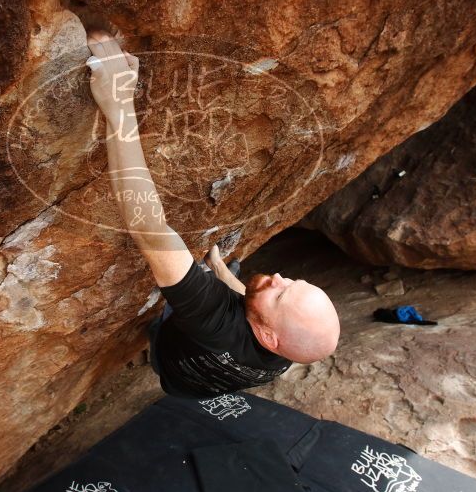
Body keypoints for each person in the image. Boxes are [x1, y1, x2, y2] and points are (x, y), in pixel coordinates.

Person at [86, 30, 340, 399]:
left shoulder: (211, 317)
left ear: (269, 337)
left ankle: (157, 337)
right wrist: (220, 271)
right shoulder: (283, 352)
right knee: (242, 286)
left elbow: (149, 226)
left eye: (282, 294)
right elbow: (257, 312)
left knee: (176, 313)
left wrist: (119, 101)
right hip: (201, 382)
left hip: (173, 362)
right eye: (293, 282)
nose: (280, 277)